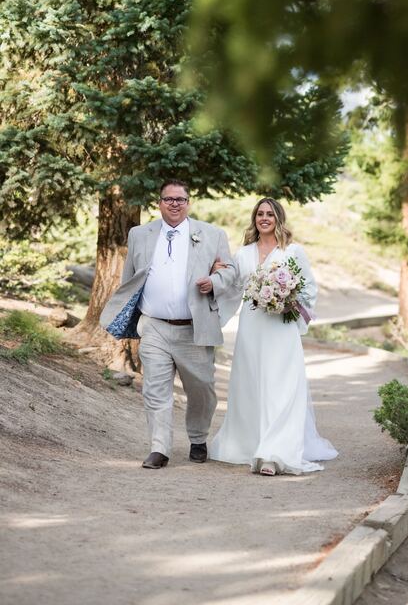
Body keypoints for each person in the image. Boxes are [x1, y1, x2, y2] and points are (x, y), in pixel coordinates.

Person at [196, 197, 338, 476]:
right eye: (260, 214)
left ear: (278, 219)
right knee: (252, 385)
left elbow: (309, 289)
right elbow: (232, 289)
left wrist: (287, 301)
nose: (264, 218)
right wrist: (213, 280)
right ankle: (250, 443)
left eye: (270, 214)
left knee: (281, 388)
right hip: (251, 330)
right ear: (254, 219)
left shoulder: (293, 252)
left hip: (281, 329)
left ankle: (274, 453)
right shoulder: (243, 254)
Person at [100, 180, 235, 469]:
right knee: (155, 389)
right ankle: (159, 449)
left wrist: (213, 281)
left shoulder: (212, 234)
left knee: (201, 388)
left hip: (194, 327)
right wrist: (129, 318)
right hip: (154, 326)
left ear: (189, 203)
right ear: (159, 202)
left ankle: (198, 438)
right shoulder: (140, 234)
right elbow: (129, 279)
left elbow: (230, 272)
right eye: (168, 199)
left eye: (180, 199)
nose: (174, 203)